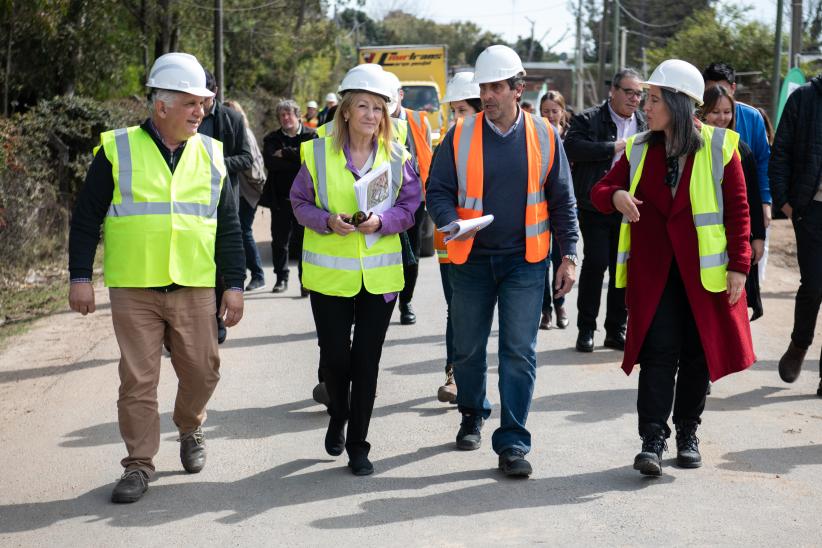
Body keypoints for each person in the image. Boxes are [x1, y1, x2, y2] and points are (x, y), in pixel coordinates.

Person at [68, 52, 245, 503]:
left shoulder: (210, 152)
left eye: (202, 104)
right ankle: (138, 465)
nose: (200, 112)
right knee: (138, 380)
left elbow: (227, 223)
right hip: (135, 287)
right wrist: (79, 276)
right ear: (160, 106)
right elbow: (86, 217)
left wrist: (235, 284)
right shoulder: (117, 148)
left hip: (193, 284)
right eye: (190, 103)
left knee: (204, 372)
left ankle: (190, 428)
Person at [591, 59, 754, 476]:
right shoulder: (641, 147)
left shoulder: (722, 147)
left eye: (655, 99)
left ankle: (687, 432)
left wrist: (740, 265)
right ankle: (652, 439)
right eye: (646, 97)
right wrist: (615, 198)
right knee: (659, 352)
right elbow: (601, 189)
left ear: (680, 104)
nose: (646, 105)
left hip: (703, 275)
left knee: (698, 355)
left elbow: (739, 211)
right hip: (656, 274)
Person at [427, 45, 579, 477]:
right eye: (484, 87)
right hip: (471, 259)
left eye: (496, 87)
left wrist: (568, 256)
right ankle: (472, 412)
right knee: (468, 348)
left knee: (518, 352)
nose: (488, 95)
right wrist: (450, 220)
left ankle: (513, 441)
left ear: (519, 89)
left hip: (524, 262)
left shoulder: (545, 135)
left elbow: (563, 201)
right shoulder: (460, 134)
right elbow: (436, 189)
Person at [291, 65, 421, 475]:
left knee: (367, 361)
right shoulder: (315, 151)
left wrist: (382, 223)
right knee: (335, 360)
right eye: (362, 106)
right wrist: (328, 220)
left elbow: (410, 207)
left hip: (380, 280)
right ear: (345, 111)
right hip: (330, 278)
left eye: (378, 108)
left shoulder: (398, 156)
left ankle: (359, 445)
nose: (370, 115)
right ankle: (337, 414)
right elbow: (299, 204)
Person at [565, 69, 647, 352]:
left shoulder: (646, 123)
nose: (635, 99)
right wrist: (614, 147)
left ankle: (616, 330)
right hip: (595, 204)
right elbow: (572, 148)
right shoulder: (588, 119)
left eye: (639, 93)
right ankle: (586, 329)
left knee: (622, 267)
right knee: (597, 262)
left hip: (630, 207)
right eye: (629, 92)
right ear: (613, 90)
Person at [769, 71, 822, 397]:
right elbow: (782, 151)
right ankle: (799, 344)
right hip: (811, 208)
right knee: (814, 284)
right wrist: (785, 203)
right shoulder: (804, 97)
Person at [433, 71, 483, 404]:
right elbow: (435, 193)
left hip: (494, 245)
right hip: (453, 242)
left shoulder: (506, 141)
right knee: (457, 310)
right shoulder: (448, 143)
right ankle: (454, 375)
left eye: (462, 110)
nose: (456, 118)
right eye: (453, 111)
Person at [700, 85, 766, 320]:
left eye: (727, 112)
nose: (722, 118)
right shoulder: (693, 148)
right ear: (702, 112)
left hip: (734, 237)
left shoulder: (740, 149)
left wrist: (757, 237)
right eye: (715, 112)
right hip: (704, 242)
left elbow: (751, 199)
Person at [199, 70, 253, 343]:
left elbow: (245, 158)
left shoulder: (231, 118)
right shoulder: (183, 118)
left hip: (223, 198)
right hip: (189, 203)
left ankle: (217, 322)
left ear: (215, 92)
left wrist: (216, 164)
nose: (200, 105)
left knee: (221, 263)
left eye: (206, 98)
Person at [383, 71, 434, 326]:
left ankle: (406, 302)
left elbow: (426, 154)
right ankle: (380, 304)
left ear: (401, 96)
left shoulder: (419, 120)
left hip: (414, 197)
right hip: (382, 200)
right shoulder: (376, 119)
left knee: (411, 253)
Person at [702, 63, 772, 227]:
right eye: (711, 91)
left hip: (744, 205)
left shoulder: (752, 117)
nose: (721, 117)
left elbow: (763, 162)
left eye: (727, 112)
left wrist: (765, 201)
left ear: (733, 88)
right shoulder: (694, 123)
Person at [261, 99, 317, 295]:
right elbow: (271, 164)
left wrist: (285, 152)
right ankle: (281, 279)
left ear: (298, 115)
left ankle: (306, 281)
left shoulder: (311, 136)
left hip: (306, 199)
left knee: (305, 242)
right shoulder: (271, 139)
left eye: (289, 114)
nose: (285, 118)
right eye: (282, 115)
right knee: (279, 242)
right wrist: (297, 158)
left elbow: (311, 161)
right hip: (280, 199)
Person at [224, 99, 268, 291]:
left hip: (248, 191)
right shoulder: (238, 132)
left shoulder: (244, 133)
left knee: (244, 231)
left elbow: (250, 165)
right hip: (244, 191)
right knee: (241, 232)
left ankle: (258, 274)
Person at [539, 90, 571, 330]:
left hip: (560, 208)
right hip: (538, 208)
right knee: (541, 262)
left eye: (554, 111)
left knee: (561, 258)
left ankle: (560, 304)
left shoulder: (571, 137)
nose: (550, 116)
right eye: (545, 112)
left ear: (563, 112)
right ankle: (545, 310)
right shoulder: (536, 136)